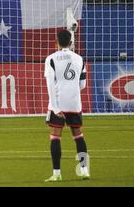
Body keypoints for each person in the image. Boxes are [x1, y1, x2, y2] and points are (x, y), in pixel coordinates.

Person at [44, 30, 89, 182]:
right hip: (74, 102)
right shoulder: (80, 59)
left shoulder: (51, 59)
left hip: (58, 103)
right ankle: (84, 170)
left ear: (56, 42)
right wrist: (72, 90)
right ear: (71, 43)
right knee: (78, 135)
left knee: (55, 136)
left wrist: (55, 107)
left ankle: (56, 174)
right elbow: (82, 84)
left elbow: (50, 84)